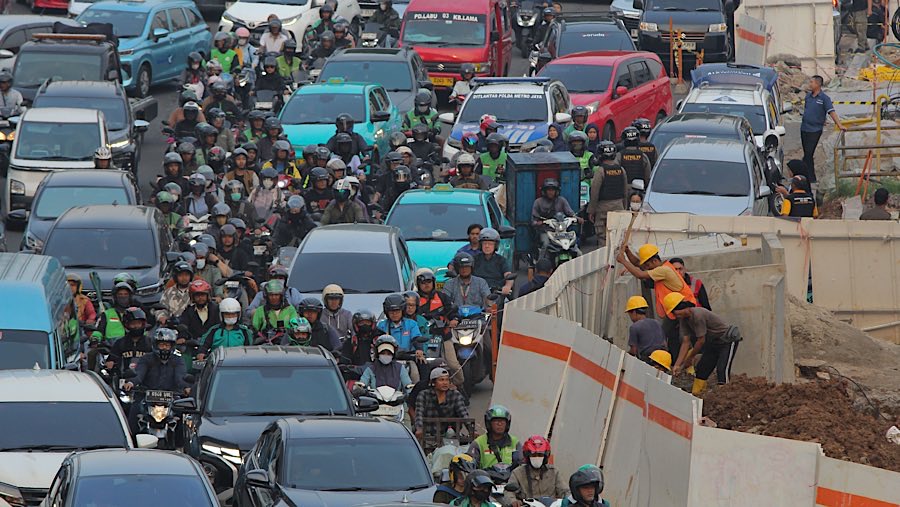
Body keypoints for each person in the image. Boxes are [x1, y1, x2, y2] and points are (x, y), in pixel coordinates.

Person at [616, 243, 698, 360]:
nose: (647, 267)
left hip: (682, 306)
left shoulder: (663, 270)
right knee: (671, 337)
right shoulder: (661, 267)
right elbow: (639, 264)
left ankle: (668, 362)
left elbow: (640, 274)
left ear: (654, 261)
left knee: (666, 336)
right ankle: (671, 362)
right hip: (675, 308)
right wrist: (628, 252)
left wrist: (623, 261)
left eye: (648, 264)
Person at [665, 293, 742, 395]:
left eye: (675, 312)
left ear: (683, 307)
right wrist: (677, 365)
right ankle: (697, 395)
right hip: (713, 343)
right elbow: (685, 342)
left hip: (727, 341)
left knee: (722, 370)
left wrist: (690, 357)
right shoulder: (684, 320)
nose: (675, 316)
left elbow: (701, 341)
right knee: (702, 369)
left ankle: (725, 397)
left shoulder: (698, 315)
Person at [123, 328, 189, 430]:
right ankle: (132, 440)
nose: (164, 348)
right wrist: (131, 382)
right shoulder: (146, 358)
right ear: (155, 345)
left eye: (167, 345)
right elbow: (139, 373)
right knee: (134, 410)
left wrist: (186, 387)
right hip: (146, 395)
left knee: (184, 415)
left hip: (172, 396)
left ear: (172, 346)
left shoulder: (178, 360)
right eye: (162, 345)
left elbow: (180, 377)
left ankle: (180, 444)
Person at [415, 268, 464, 388]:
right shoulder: (415, 299)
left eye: (429, 282)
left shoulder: (442, 297)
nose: (426, 285)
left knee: (453, 365)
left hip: (443, 336)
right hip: (423, 338)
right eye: (423, 283)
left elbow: (455, 312)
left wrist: (455, 320)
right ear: (418, 284)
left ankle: (457, 386)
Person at [801, 75, 846, 192]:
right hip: (804, 128)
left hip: (815, 130)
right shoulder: (808, 97)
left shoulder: (824, 98)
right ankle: (805, 175)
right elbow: (808, 109)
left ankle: (811, 178)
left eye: (812, 82)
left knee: (809, 153)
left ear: (818, 84)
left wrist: (839, 124)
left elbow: (831, 111)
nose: (810, 84)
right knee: (806, 153)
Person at [504, 435, 568, 507]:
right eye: (534, 455)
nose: (537, 457)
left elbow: (564, 491)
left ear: (546, 456)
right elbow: (508, 491)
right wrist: (513, 501)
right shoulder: (518, 473)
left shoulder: (554, 472)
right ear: (527, 455)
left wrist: (568, 501)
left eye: (540, 455)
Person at [588, 141, 627, 247]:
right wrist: (625, 207)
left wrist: (591, 211)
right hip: (619, 207)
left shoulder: (600, 171)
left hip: (603, 210)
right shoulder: (621, 170)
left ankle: (605, 262)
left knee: (603, 238)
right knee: (618, 238)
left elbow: (594, 192)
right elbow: (625, 192)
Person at [415, 367, 470, 440]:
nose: (445, 383)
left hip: (450, 435)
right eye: (441, 380)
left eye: (447, 380)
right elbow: (419, 414)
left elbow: (464, 414)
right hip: (429, 436)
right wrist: (419, 429)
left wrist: (472, 429)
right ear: (433, 382)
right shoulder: (423, 395)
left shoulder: (455, 395)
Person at [376, 293, 424, 378]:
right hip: (387, 359)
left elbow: (416, 338)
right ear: (387, 312)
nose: (394, 314)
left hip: (408, 358)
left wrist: (419, 349)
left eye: (397, 311)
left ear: (403, 310)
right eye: (391, 311)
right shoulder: (381, 325)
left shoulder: (411, 324)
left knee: (415, 375)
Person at [532, 178, 579, 251]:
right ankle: (541, 261)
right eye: (549, 190)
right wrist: (538, 223)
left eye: (553, 190)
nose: (551, 192)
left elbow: (570, 213)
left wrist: (577, 218)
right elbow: (533, 220)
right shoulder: (538, 202)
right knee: (546, 244)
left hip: (561, 231)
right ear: (544, 191)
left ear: (556, 191)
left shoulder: (561, 200)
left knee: (575, 247)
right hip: (546, 231)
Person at [105, 307, 154, 375]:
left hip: (146, 378)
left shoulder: (150, 342)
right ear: (127, 325)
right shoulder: (120, 343)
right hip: (123, 378)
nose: (136, 326)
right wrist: (110, 363)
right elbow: (111, 359)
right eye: (133, 324)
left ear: (143, 324)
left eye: (138, 323)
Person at [624, 295, 667, 361]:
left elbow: (634, 351)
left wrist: (625, 356)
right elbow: (664, 343)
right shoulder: (656, 322)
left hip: (648, 359)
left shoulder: (634, 327)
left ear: (634, 312)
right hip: (663, 357)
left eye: (629, 314)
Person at [473, 228, 513, 295]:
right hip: (476, 293)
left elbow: (508, 275)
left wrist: (507, 286)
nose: (487, 246)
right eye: (484, 243)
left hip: (496, 293)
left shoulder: (501, 260)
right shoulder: (475, 259)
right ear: (480, 245)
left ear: (495, 246)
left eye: (490, 244)